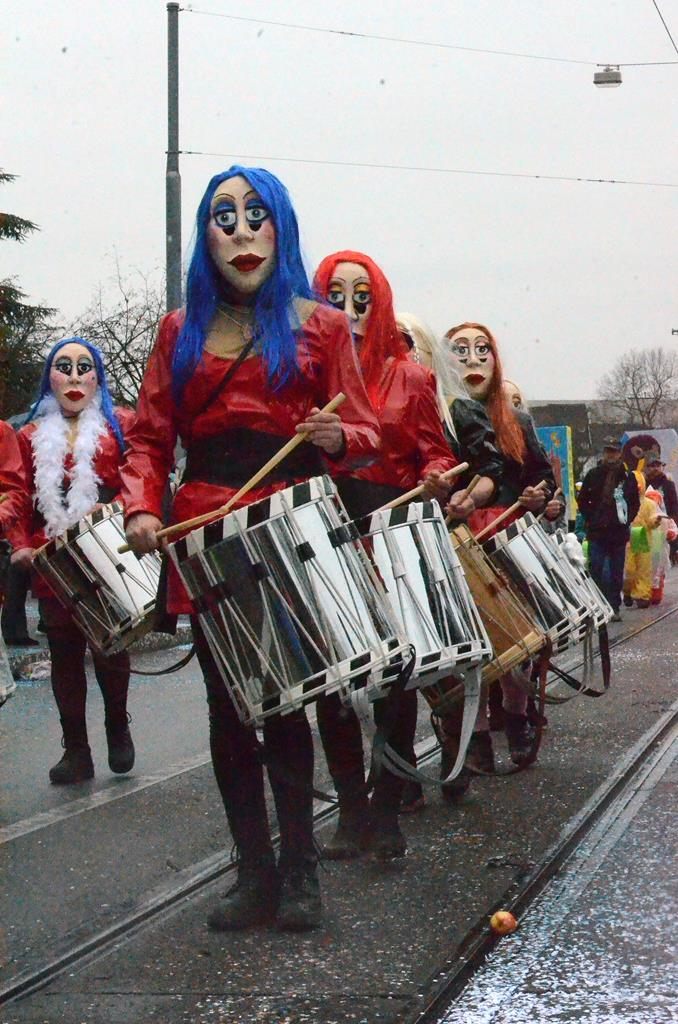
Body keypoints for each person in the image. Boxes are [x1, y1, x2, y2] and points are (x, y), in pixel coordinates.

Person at [121, 167, 380, 933]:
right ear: (206, 234)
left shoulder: (321, 327)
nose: (241, 231)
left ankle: (300, 872)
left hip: (289, 525)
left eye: (256, 215)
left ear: (281, 227)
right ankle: (254, 874)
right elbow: (149, 437)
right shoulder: (178, 331)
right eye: (224, 216)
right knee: (229, 708)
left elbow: (369, 434)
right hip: (205, 529)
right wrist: (142, 506)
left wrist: (339, 435)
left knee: (285, 701)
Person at [313, 254, 464, 857]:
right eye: (335, 296)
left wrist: (436, 476)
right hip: (328, 530)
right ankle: (351, 809)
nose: (349, 309)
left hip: (393, 530)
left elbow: (437, 451)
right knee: (333, 679)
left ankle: (386, 807)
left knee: (396, 677)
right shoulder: (305, 374)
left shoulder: (411, 377)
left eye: (362, 296)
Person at [7, 339, 135, 784]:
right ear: (50, 378)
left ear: (98, 377)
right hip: (52, 554)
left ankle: (118, 727)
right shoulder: (29, 435)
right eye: (64, 367)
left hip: (106, 548)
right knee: (64, 653)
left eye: (85, 367)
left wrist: (119, 510)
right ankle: (76, 751)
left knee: (110, 643)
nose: (75, 377)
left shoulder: (120, 426)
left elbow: (141, 479)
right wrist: (20, 543)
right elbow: (18, 494)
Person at [441, 323, 557, 772]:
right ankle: (478, 736)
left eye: (481, 350)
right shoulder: (441, 416)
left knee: (515, 644)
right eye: (460, 351)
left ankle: (517, 717)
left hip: (506, 538)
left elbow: (543, 477)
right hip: (457, 541)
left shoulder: (516, 420)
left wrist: (539, 497)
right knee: (469, 646)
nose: (472, 360)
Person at [577, 437, 640, 622]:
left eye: (614, 451)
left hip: (618, 533)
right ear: (604, 453)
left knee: (615, 572)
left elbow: (634, 503)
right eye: (608, 451)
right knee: (596, 568)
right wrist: (591, 518)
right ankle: (600, 605)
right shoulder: (593, 474)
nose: (610, 454)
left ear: (619, 454)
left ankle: (614, 606)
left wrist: (626, 520)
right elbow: (582, 500)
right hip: (597, 532)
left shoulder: (628, 477)